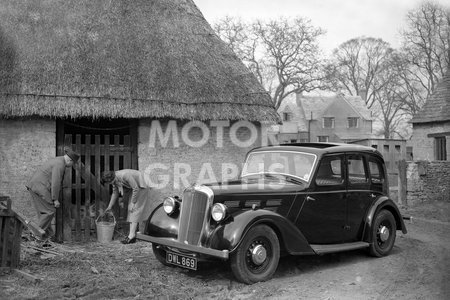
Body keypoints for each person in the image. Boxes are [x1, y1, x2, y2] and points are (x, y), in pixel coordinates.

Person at [26, 147, 80, 241]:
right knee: (49, 211)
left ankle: (47, 236)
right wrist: (55, 199)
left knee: (45, 212)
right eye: (73, 164)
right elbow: (55, 182)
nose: (72, 166)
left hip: (36, 186)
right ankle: (35, 235)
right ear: (70, 160)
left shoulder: (58, 160)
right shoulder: (60, 164)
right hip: (40, 187)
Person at [101, 169, 154, 244]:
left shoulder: (124, 175)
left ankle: (131, 236)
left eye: (109, 182)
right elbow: (115, 193)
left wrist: (133, 203)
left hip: (141, 186)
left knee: (134, 209)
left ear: (111, 178)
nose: (110, 184)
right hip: (135, 188)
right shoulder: (114, 180)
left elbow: (136, 188)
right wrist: (110, 206)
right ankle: (131, 235)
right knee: (131, 209)